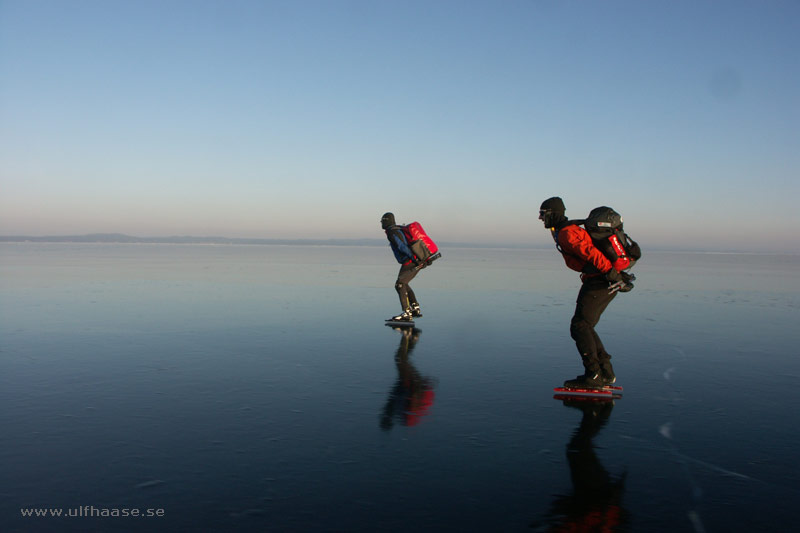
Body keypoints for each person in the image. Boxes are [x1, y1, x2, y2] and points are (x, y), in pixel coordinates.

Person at [539, 197, 622, 389]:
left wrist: (612, 275)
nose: (540, 218)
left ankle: (593, 375)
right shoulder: (565, 230)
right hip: (600, 279)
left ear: (552, 213)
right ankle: (606, 373)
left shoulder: (567, 233)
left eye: (543, 214)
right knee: (585, 325)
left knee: (580, 326)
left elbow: (592, 253)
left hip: (601, 280)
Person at [381, 212, 424, 322]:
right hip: (415, 259)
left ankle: (407, 313)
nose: (381, 223)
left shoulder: (392, 232)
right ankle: (415, 308)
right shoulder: (397, 229)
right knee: (404, 283)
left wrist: (414, 259)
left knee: (400, 285)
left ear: (386, 221)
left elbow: (402, 246)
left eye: (382, 221)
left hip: (410, 260)